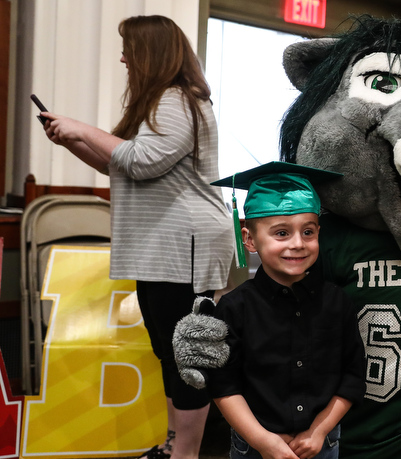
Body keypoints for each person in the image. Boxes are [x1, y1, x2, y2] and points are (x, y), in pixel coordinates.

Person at [39, 15, 234, 459]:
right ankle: (173, 447)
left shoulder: (178, 99)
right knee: (170, 353)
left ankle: (185, 453)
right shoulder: (159, 103)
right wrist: (70, 140)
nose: (123, 57)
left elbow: (143, 160)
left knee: (189, 358)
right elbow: (122, 166)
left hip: (185, 247)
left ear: (150, 53)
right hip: (163, 248)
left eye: (129, 49)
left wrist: (82, 127)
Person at [204, 162, 366, 459]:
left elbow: (353, 375)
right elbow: (223, 385)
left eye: (308, 232)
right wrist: (263, 440)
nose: (298, 244)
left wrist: (318, 431)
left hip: (322, 444)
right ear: (249, 240)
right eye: (281, 233)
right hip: (254, 446)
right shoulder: (233, 309)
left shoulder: (337, 303)